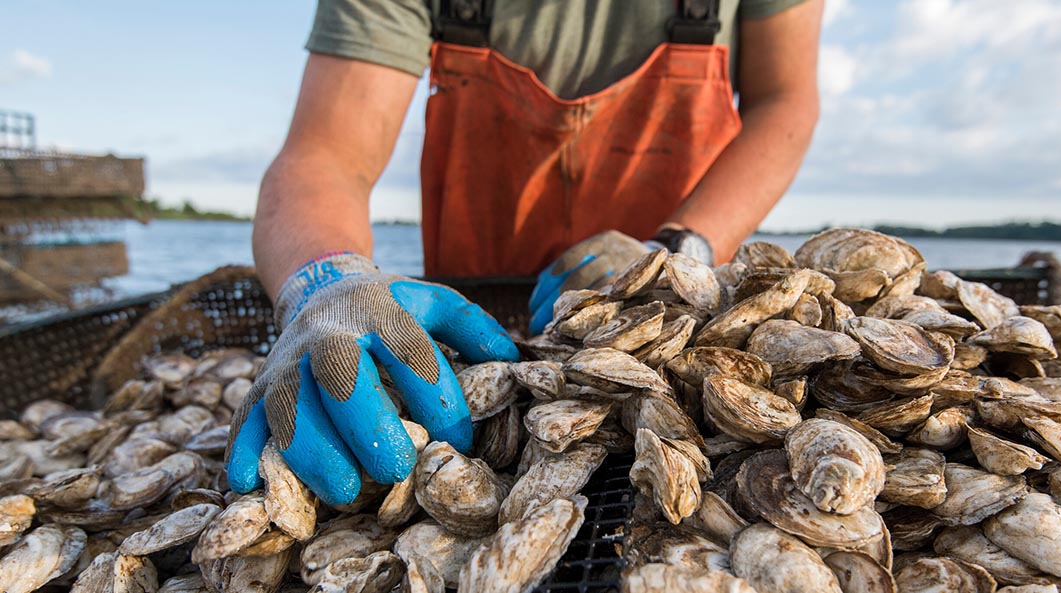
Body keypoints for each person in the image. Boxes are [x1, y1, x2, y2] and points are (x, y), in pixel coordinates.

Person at [227, 0, 823, 505]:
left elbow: (784, 100)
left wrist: (677, 247)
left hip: (673, 319)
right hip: (470, 334)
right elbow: (325, 153)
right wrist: (327, 283)